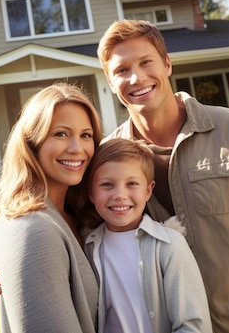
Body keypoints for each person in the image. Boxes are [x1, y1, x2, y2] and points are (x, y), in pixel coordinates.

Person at [0, 20, 229, 333]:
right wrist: (17, 270)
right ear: (110, 83)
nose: (136, 78)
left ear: (167, 64)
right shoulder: (103, 158)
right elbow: (78, 237)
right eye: (122, 70)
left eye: (145, 63)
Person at [0, 82, 102, 333]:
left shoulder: (79, 217)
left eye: (86, 135)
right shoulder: (31, 229)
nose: (77, 149)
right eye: (61, 133)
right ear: (32, 143)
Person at [83, 138, 213, 333]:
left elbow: (194, 325)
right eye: (107, 184)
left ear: (148, 190)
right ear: (91, 192)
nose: (120, 195)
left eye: (132, 183)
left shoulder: (169, 245)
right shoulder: (88, 248)